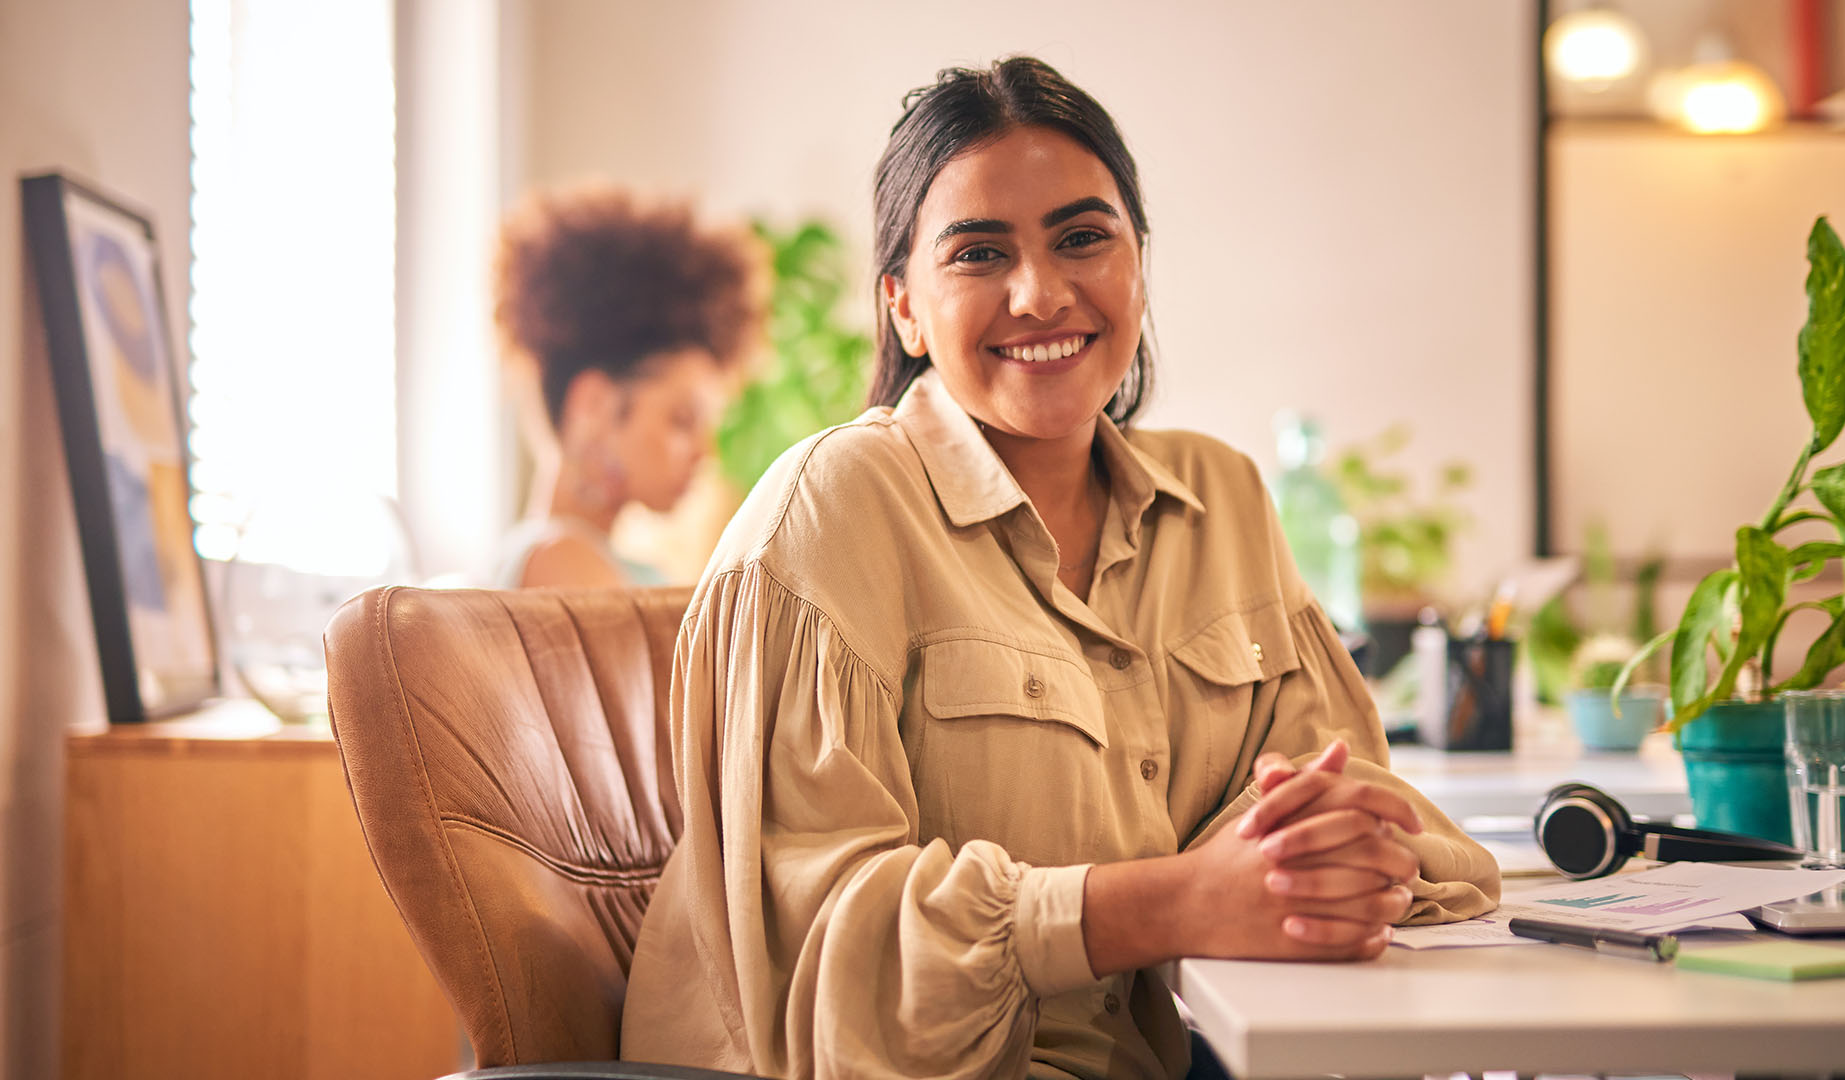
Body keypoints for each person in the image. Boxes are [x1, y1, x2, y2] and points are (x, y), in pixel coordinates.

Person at [621, 57, 1498, 1079]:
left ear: (1138, 264)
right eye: (980, 254)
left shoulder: (1224, 500)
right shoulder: (833, 507)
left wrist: (1341, 854)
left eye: (1084, 238)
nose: (1041, 294)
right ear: (903, 307)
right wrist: (1175, 900)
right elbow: (818, 961)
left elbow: (1361, 809)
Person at [491, 184, 763, 587]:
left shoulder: (602, 562)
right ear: (594, 405)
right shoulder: (562, 563)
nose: (705, 451)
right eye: (682, 420)